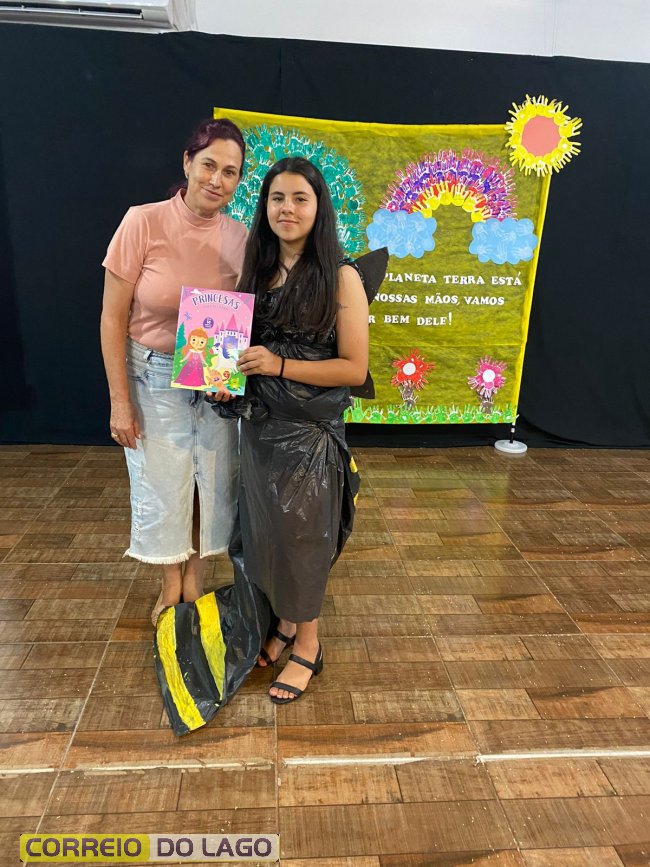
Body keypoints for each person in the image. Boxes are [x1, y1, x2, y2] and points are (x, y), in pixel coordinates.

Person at [231, 156, 369, 704]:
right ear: (264, 207)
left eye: (299, 198)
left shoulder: (341, 276)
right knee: (266, 534)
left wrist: (278, 364)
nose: (286, 209)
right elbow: (238, 353)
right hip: (259, 429)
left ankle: (308, 645)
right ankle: (285, 625)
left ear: (318, 207)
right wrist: (222, 380)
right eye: (277, 198)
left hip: (309, 435)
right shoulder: (256, 271)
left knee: (303, 541)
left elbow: (353, 368)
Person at [100, 117, 246, 626]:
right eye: (208, 165)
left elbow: (240, 316)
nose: (216, 180)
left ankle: (196, 580)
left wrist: (227, 375)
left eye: (230, 172)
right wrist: (120, 401)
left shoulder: (241, 238)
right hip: (152, 374)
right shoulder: (142, 221)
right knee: (165, 484)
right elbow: (112, 318)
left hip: (212, 379)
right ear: (187, 162)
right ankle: (170, 583)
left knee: (211, 482)